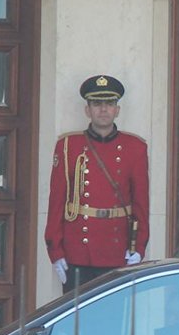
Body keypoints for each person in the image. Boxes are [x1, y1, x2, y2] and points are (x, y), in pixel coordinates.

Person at [45, 75, 150, 293]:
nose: (103, 109)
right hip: (78, 250)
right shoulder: (68, 146)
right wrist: (55, 250)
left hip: (117, 249)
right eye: (97, 104)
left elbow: (141, 203)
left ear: (117, 110)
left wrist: (139, 247)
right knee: (76, 321)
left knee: (114, 318)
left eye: (109, 104)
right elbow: (57, 201)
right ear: (87, 110)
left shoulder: (135, 147)